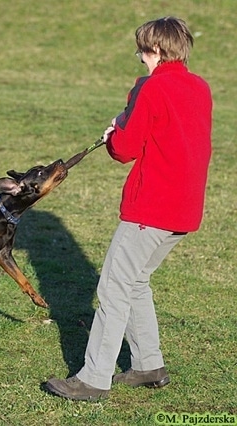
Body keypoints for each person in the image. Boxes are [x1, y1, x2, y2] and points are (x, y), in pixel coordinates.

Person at [46, 16, 212, 401]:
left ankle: (93, 379)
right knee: (136, 281)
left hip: (151, 208)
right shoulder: (200, 87)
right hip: (185, 210)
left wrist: (115, 131)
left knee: (114, 288)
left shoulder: (152, 88)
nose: (139, 57)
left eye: (142, 50)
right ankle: (147, 365)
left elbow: (124, 149)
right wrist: (129, 115)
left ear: (154, 50)